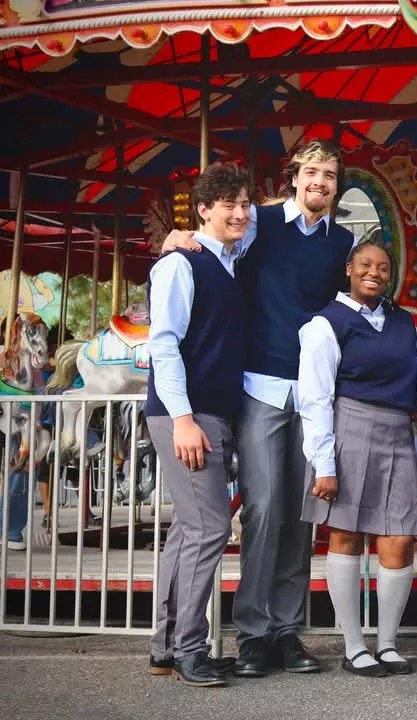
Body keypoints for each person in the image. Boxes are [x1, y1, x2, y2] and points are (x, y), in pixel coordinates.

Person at [162, 139, 353, 677]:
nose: (319, 182)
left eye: (330, 175)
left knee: (300, 512)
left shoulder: (341, 240)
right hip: (260, 385)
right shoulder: (261, 223)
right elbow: (213, 245)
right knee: (264, 507)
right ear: (295, 177)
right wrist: (178, 238)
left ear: (338, 186)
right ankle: (252, 630)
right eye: (312, 171)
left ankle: (287, 630)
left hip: (311, 392)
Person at [145, 161, 251, 687]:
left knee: (188, 532)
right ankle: (189, 648)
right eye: (227, 204)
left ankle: (167, 645)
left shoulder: (229, 262)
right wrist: (183, 418)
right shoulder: (181, 264)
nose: (239, 212)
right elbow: (163, 343)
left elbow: (276, 214)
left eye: (245, 203)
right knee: (210, 528)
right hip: (187, 413)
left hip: (209, 409)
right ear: (203, 210)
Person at [297, 239, 417, 678]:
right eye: (365, 264)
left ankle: (387, 643)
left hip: (397, 433)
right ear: (349, 268)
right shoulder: (326, 323)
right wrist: (324, 463)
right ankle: (353, 645)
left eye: (383, 267)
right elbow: (315, 396)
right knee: (345, 534)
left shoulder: (405, 322)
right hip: (348, 425)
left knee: (399, 538)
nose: (375, 273)